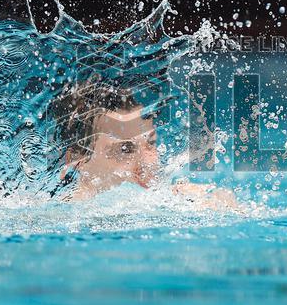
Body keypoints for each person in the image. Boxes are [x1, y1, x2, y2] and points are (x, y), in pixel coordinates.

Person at [55, 81, 237, 210]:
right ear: (76, 161)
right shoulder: (62, 216)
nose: (148, 163)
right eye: (125, 149)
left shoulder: (172, 201)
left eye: (150, 144)